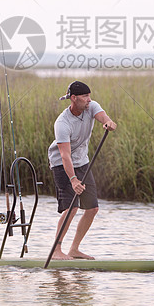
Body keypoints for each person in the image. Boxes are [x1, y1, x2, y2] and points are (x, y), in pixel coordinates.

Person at [47, 80, 116, 260]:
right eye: (85, 96)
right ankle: (56, 251)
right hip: (61, 164)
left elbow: (102, 115)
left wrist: (108, 122)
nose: (89, 99)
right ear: (74, 98)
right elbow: (65, 156)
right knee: (72, 208)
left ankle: (74, 250)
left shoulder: (91, 106)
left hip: (82, 162)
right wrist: (73, 180)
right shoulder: (62, 123)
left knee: (92, 208)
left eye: (89, 95)